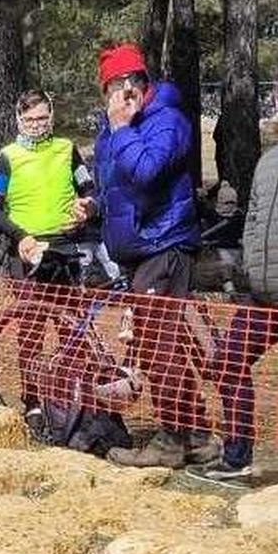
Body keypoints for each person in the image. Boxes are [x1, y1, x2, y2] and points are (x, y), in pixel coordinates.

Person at [91, 42, 212, 469]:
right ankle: (196, 435)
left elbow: (147, 172)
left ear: (135, 86)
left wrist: (122, 128)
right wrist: (92, 207)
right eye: (108, 89)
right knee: (161, 345)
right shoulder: (112, 130)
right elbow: (117, 187)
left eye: (117, 87)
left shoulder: (167, 120)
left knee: (160, 348)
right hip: (138, 249)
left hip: (164, 244)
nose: (112, 98)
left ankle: (172, 440)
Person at [0, 90, 95, 278]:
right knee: (32, 299)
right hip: (27, 247)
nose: (35, 125)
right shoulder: (5, 157)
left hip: (66, 244)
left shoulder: (67, 149)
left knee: (70, 298)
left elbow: (89, 190)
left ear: (51, 116)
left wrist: (87, 209)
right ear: (19, 119)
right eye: (29, 119)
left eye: (41, 118)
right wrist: (21, 236)